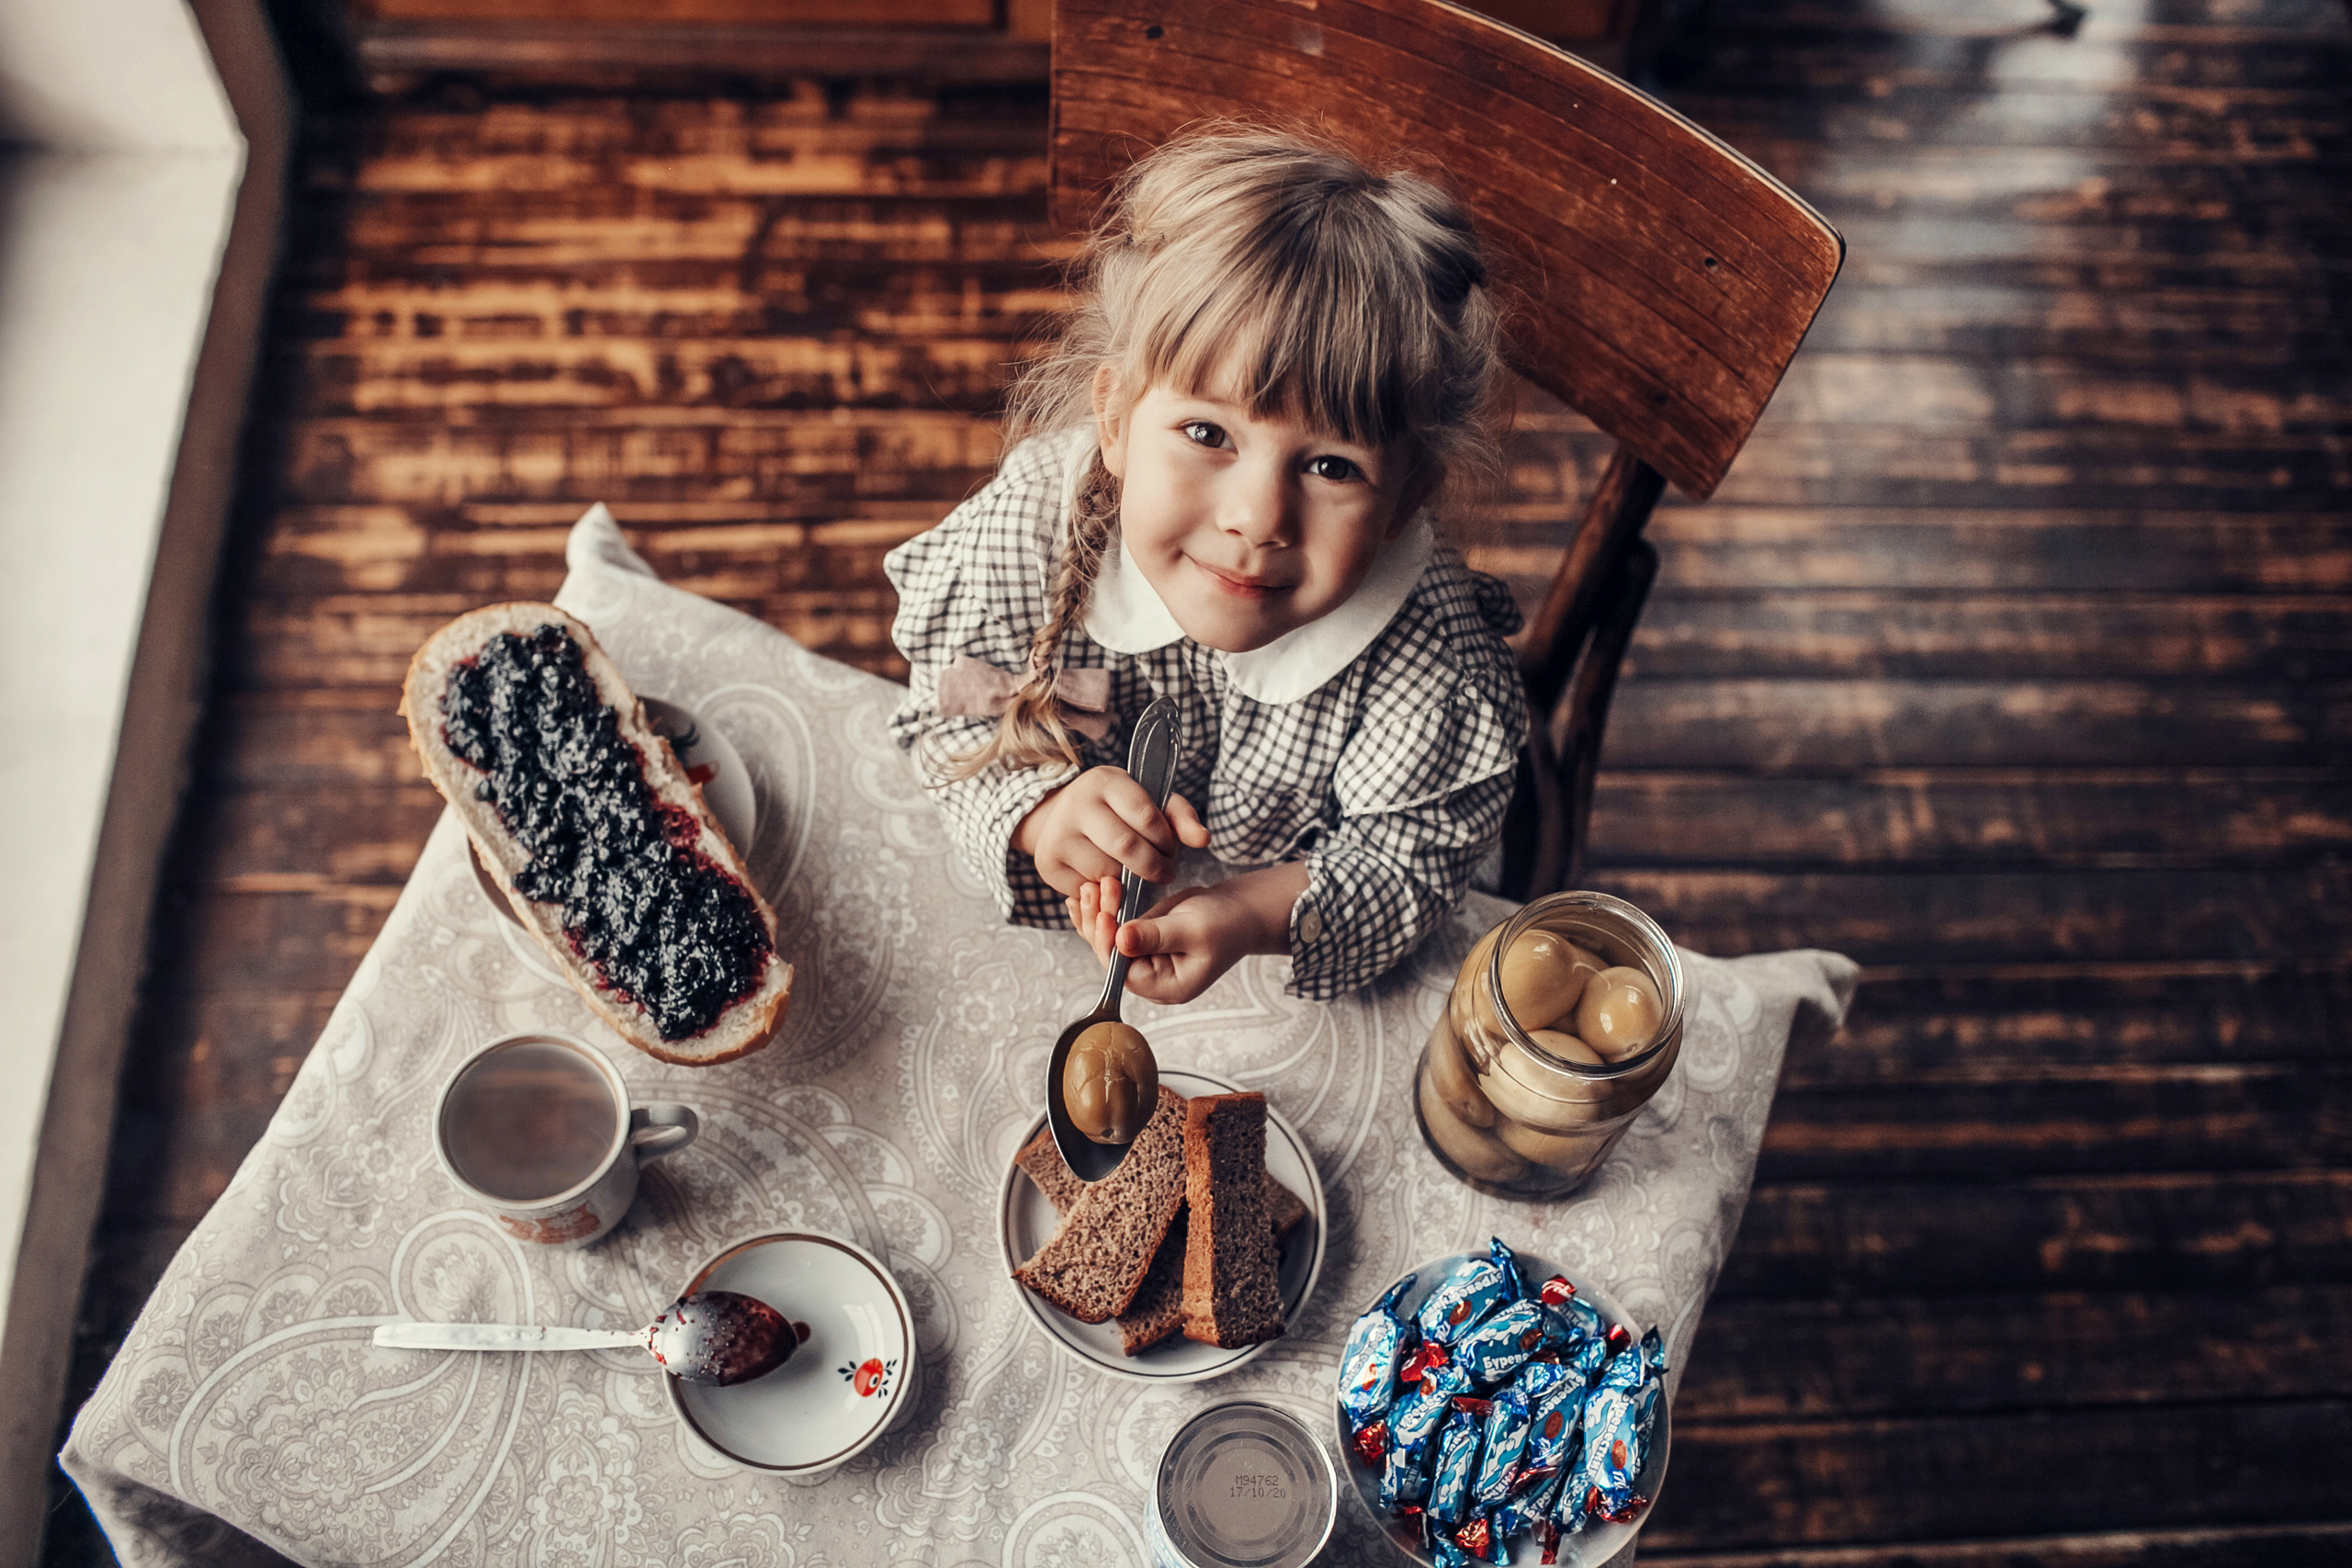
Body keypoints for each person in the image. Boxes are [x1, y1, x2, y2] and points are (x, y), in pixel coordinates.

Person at [885, 128, 1527, 1005]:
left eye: (1331, 465)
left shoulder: (1429, 656)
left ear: (1408, 492)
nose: (1257, 518)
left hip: (1270, 951)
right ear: (1114, 418)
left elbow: (1404, 860)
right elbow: (955, 699)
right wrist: (1042, 812)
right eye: (1208, 434)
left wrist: (1246, 911)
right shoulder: (1035, 525)